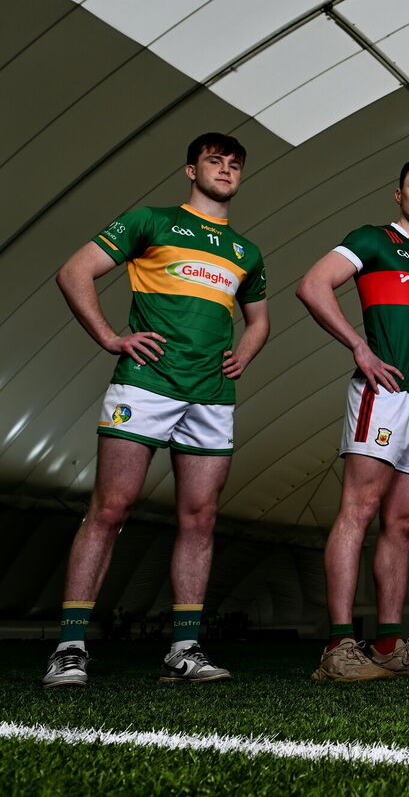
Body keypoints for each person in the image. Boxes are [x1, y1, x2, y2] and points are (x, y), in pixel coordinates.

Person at [44, 132, 269, 687]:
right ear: (190, 171)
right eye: (214, 161)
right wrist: (109, 337)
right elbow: (74, 272)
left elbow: (259, 320)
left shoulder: (246, 251)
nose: (226, 170)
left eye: (234, 164)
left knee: (200, 518)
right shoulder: (152, 220)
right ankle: (70, 647)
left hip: (211, 395)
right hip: (146, 384)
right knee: (111, 508)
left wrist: (243, 352)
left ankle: (184, 650)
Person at [297, 155, 409, 682]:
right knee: (358, 511)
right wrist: (360, 348)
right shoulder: (372, 239)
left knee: (403, 524)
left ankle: (388, 645)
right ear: (399, 194)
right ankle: (338, 648)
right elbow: (313, 286)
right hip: (381, 394)